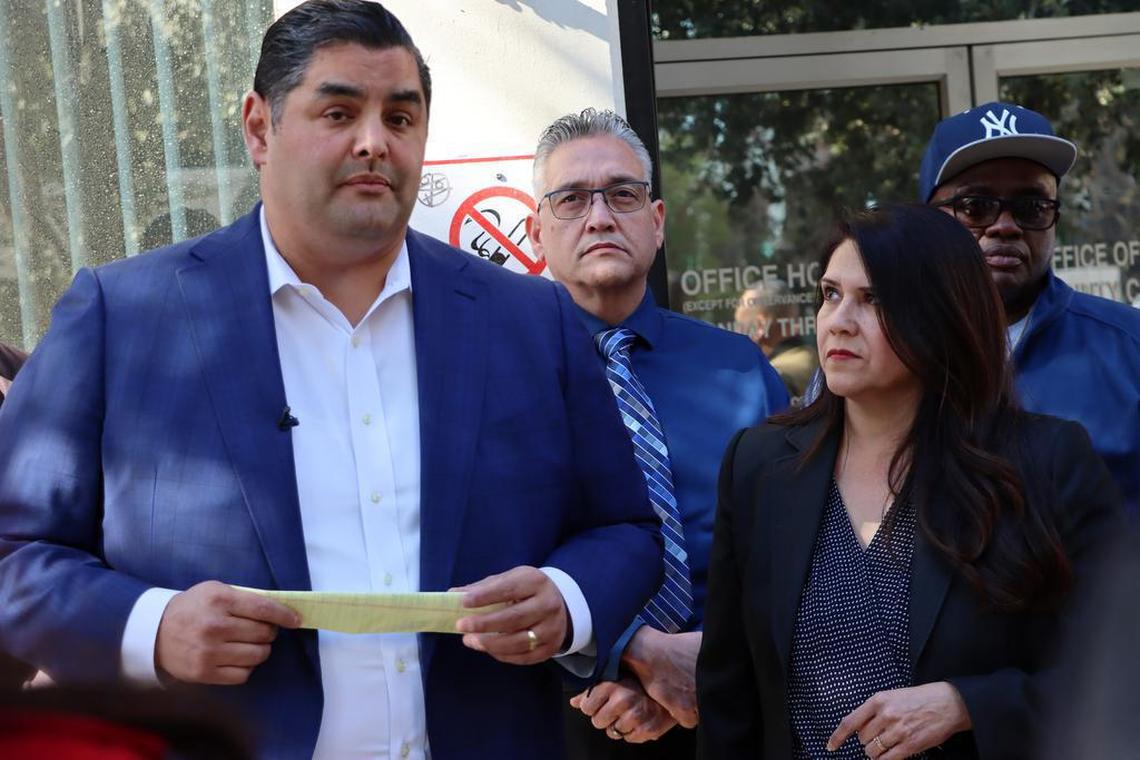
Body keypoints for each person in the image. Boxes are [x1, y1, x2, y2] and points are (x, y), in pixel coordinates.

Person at [0, 3, 663, 758]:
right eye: (339, 111)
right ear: (259, 127)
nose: (375, 142)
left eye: (401, 118)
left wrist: (568, 599)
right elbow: (17, 557)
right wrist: (152, 627)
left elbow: (626, 530)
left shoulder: (529, 319)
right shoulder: (124, 316)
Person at [697, 204, 1122, 758]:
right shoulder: (760, 464)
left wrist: (969, 704)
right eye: (830, 294)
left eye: (873, 300)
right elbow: (729, 692)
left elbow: (1118, 668)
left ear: (943, 314)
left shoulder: (1044, 462)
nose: (839, 320)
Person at [526, 108, 788, 758]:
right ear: (537, 230)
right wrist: (633, 654)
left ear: (658, 220)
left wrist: (710, 661)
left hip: (734, 710)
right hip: (562, 711)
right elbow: (481, 554)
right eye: (572, 200)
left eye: (622, 194)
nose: (600, 216)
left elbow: (800, 544)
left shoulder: (739, 369)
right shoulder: (494, 380)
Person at [920, 101, 1140, 516]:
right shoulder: (882, 351)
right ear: (928, 219)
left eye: (1032, 207)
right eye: (975, 206)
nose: (1006, 225)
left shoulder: (1130, 348)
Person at [735, 280, 818, 402]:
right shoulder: (810, 359)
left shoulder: (774, 377)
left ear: (760, 326)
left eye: (739, 325)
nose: (735, 332)